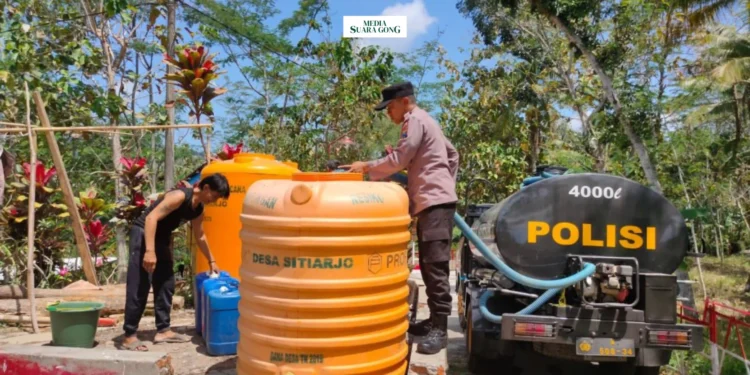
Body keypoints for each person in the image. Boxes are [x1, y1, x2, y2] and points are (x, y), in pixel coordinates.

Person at [343, 81, 459, 355]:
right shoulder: (427, 120)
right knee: (430, 265)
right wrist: (443, 183)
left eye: (390, 107)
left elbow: (401, 158)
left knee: (435, 266)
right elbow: (452, 155)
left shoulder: (414, 120)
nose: (388, 114)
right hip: (434, 202)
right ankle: (433, 320)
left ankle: (440, 330)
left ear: (404, 101)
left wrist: (366, 167)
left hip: (434, 204)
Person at [119, 174, 230, 352]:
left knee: (166, 283)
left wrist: (212, 260)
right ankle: (129, 336)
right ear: (206, 188)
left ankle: (163, 330)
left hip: (161, 239)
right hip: (143, 235)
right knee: (140, 284)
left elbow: (200, 235)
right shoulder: (179, 196)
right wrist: (149, 251)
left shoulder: (198, 208)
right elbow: (150, 219)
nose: (215, 200)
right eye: (215, 196)